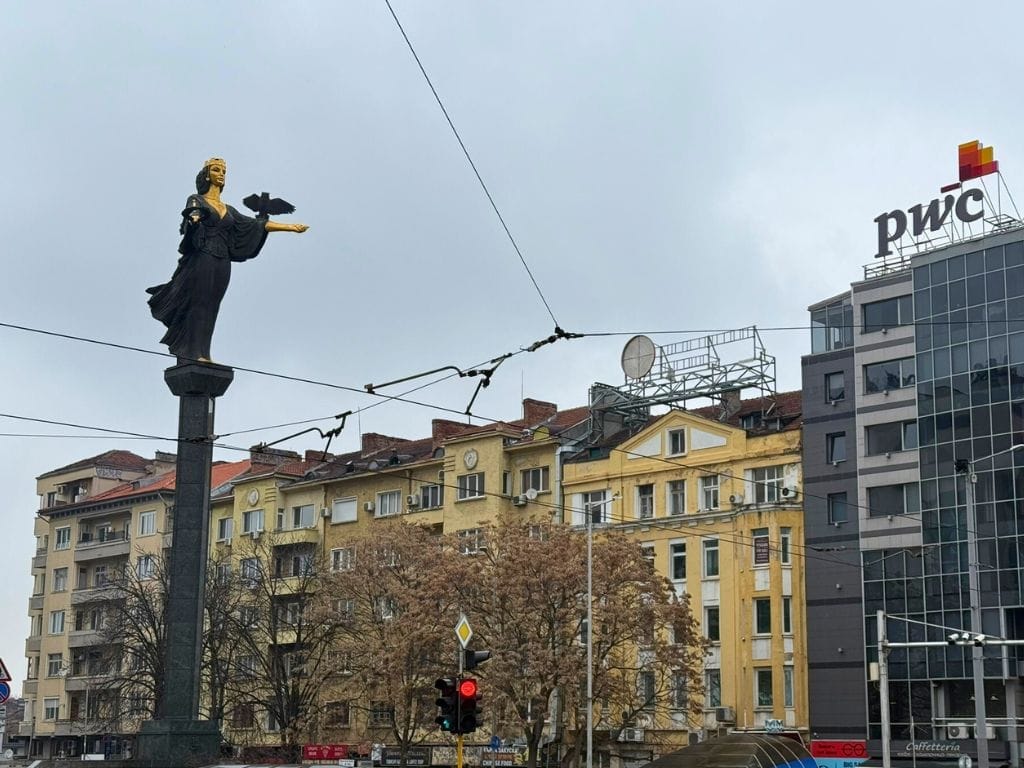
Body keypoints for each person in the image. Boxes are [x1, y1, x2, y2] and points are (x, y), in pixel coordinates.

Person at [147, 157, 308, 362]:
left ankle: (204, 353)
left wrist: (290, 227)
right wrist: (194, 219)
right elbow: (193, 213)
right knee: (199, 302)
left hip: (222, 260)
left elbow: (256, 225)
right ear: (207, 175)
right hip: (203, 256)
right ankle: (191, 352)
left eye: (224, 171)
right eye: (216, 170)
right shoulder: (197, 199)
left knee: (213, 305)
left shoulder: (228, 209)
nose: (221, 174)